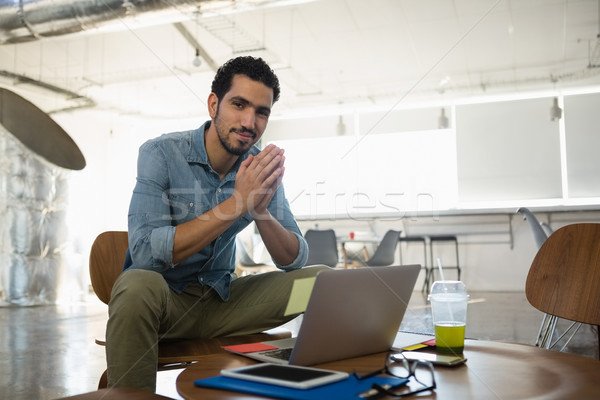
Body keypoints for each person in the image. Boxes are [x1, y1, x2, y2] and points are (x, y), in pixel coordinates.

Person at [105, 56, 328, 392]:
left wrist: (261, 210)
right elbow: (146, 254)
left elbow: (293, 260)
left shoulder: (258, 167)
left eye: (261, 112)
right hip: (165, 305)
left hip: (225, 304)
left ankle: (335, 389)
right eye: (238, 104)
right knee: (136, 285)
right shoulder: (160, 153)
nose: (249, 121)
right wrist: (236, 204)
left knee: (321, 282)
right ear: (214, 105)